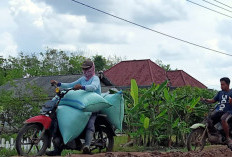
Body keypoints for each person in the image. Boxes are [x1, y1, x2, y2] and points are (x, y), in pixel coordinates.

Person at [46, 59, 101, 156]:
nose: (85, 71)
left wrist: (82, 87)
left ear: (92, 68)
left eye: (87, 69)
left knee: (90, 123)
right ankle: (57, 150)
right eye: (83, 69)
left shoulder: (95, 78)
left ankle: (87, 145)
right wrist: (58, 83)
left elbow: (93, 87)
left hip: (93, 106)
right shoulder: (82, 79)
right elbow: (71, 85)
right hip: (81, 105)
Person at [201, 77, 232, 145]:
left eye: (223, 84)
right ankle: (216, 134)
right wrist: (205, 99)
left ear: (228, 84)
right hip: (220, 111)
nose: (221, 86)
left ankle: (228, 138)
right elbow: (213, 100)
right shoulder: (220, 93)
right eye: (220, 84)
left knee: (223, 119)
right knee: (209, 119)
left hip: (229, 112)